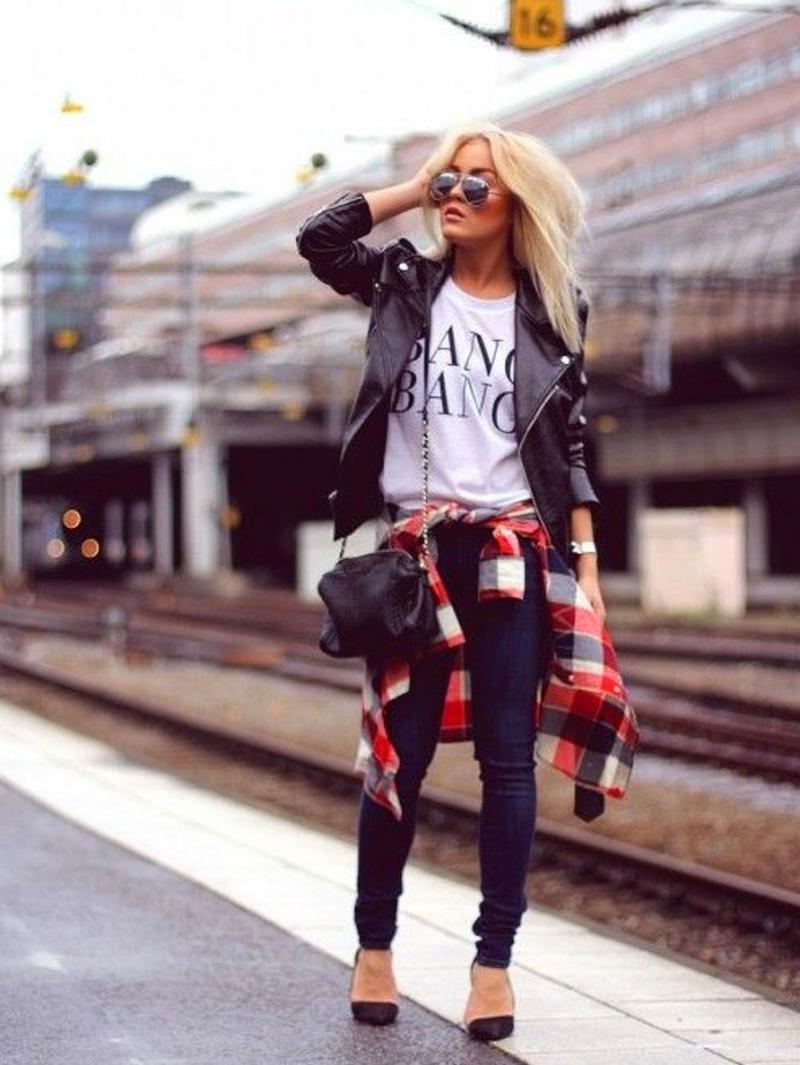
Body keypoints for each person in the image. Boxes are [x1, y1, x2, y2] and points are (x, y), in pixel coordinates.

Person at [296, 120, 638, 1042]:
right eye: (450, 180)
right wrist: (418, 184)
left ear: (518, 200)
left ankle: (493, 965)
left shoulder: (554, 309)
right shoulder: (405, 281)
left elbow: (569, 444)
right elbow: (320, 240)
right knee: (398, 758)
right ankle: (374, 948)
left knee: (507, 762)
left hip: (514, 555)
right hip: (416, 555)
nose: (456, 194)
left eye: (477, 183)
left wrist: (588, 568)